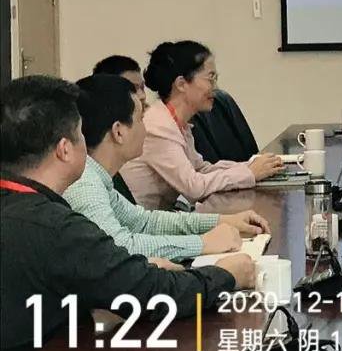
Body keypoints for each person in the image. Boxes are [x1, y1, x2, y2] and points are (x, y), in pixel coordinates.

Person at [0, 76, 255, 351]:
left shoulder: (25, 207)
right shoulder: (55, 227)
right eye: (81, 134)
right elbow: (153, 295)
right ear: (64, 150)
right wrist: (226, 275)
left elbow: (134, 231)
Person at [65, 74, 271, 261]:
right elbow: (121, 249)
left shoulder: (97, 176)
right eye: (140, 119)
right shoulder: (85, 185)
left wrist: (221, 221)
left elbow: (145, 222)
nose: (146, 127)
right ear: (118, 132)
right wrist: (202, 244)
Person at [121, 41, 283, 209]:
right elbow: (194, 188)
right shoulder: (158, 127)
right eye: (210, 78)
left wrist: (252, 165)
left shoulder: (175, 122)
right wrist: (249, 173)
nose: (215, 87)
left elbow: (200, 169)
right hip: (141, 222)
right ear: (181, 84)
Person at [91, 55, 146, 203]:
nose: (142, 95)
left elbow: (139, 216)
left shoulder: (107, 176)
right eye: (140, 120)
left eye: (142, 87)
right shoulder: (90, 189)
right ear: (118, 131)